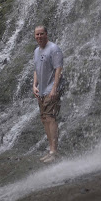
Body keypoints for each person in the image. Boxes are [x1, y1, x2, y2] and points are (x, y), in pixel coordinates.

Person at [33, 25, 63, 163]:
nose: (39, 36)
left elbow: (58, 69)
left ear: (46, 34)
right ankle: (50, 150)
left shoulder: (54, 49)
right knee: (44, 119)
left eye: (41, 34)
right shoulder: (36, 51)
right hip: (42, 90)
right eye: (37, 34)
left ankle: (54, 152)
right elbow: (36, 70)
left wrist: (54, 88)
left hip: (51, 89)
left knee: (51, 118)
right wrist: (34, 85)